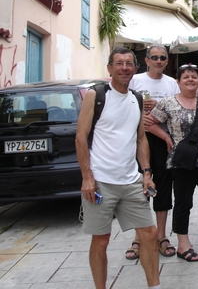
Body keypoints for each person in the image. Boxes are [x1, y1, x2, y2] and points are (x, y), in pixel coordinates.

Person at [76, 47, 161, 289]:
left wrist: (146, 174)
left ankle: (155, 286)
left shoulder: (137, 98)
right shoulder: (96, 95)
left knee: (149, 234)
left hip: (131, 180)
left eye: (128, 63)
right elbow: (81, 137)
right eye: (119, 63)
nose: (124, 67)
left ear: (136, 68)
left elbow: (141, 139)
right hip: (101, 181)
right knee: (101, 240)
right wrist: (87, 178)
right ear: (110, 68)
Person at [147, 64, 198, 262]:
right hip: (182, 163)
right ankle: (183, 244)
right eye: (186, 77)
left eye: (194, 76)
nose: (190, 80)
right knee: (183, 203)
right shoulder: (168, 103)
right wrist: (166, 137)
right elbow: (148, 123)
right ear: (179, 81)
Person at [125, 45, 180, 260]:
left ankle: (161, 236)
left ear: (167, 61)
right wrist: (140, 108)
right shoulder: (135, 81)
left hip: (163, 140)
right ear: (146, 60)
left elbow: (178, 111)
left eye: (162, 58)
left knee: (164, 188)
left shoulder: (171, 84)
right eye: (154, 57)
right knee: (139, 188)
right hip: (139, 140)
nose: (158, 61)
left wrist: (160, 107)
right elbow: (124, 106)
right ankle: (139, 237)